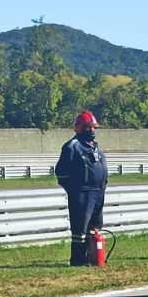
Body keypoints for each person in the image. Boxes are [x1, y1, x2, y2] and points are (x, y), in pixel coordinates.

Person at [55, 111, 109, 267]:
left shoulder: (95, 147)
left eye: (93, 127)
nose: (92, 131)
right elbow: (61, 173)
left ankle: (93, 256)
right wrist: (75, 190)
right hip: (82, 193)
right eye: (88, 127)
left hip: (98, 192)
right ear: (79, 128)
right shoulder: (72, 147)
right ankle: (78, 259)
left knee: (95, 227)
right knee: (80, 229)